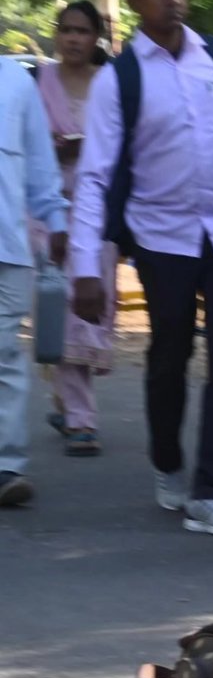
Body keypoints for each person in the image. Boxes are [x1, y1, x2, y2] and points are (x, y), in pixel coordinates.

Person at [70, 0, 213, 536]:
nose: (173, 0)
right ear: (135, 0)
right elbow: (94, 174)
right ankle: (168, 460)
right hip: (164, 239)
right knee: (168, 358)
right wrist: (88, 267)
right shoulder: (121, 79)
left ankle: (211, 490)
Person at [33, 1, 117, 456]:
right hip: (51, 210)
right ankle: (83, 422)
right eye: (65, 30)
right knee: (66, 307)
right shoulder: (39, 83)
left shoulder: (111, 84)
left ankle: (66, 400)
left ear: (96, 37)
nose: (72, 39)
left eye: (82, 31)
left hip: (99, 210)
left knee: (95, 307)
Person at [0, 56, 68, 505]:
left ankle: (7, 467)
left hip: (9, 247)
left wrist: (56, 219)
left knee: (5, 355)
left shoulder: (16, 83)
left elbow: (40, 165)